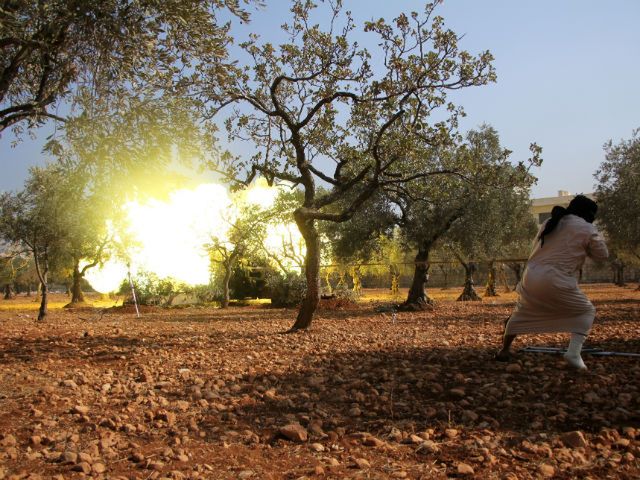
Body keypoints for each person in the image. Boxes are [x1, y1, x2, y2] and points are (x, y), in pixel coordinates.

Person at [495, 195, 609, 369]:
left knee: (521, 312)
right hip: (556, 279)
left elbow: (537, 248)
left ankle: (504, 350)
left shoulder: (549, 222)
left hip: (531, 276)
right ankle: (573, 353)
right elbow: (602, 255)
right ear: (589, 214)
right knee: (587, 311)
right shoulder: (587, 228)